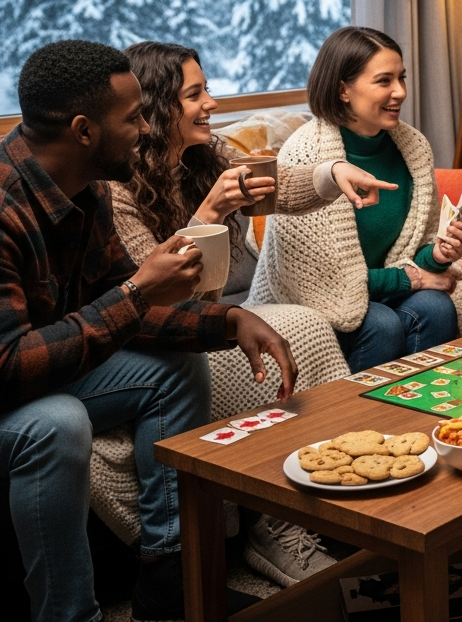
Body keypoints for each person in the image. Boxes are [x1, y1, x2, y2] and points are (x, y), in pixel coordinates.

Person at [0, 40, 299, 622]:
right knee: (55, 422)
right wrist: (137, 292)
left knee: (177, 370)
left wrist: (229, 318)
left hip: (50, 365)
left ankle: (169, 575)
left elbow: (124, 307)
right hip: (12, 385)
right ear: (85, 130)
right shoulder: (4, 210)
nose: (145, 128)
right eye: (133, 117)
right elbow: (10, 364)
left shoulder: (86, 187)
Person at [111, 41, 396, 589]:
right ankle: (274, 523)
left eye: (207, 89)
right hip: (155, 336)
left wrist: (333, 171)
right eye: (196, 94)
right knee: (281, 335)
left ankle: (329, 490)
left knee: (306, 327)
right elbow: (155, 294)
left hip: (206, 319)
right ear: (157, 107)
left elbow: (278, 188)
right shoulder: (117, 187)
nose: (211, 103)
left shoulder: (205, 154)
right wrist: (208, 213)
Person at [249, 27, 462, 369]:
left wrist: (437, 256)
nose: (400, 92)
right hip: (314, 301)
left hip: (379, 291)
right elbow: (321, 284)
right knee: (380, 323)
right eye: (384, 81)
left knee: (438, 307)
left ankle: (428, 411)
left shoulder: (413, 148)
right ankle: (358, 421)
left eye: (402, 78)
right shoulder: (304, 155)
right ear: (343, 90)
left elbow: (413, 252)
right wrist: (415, 278)